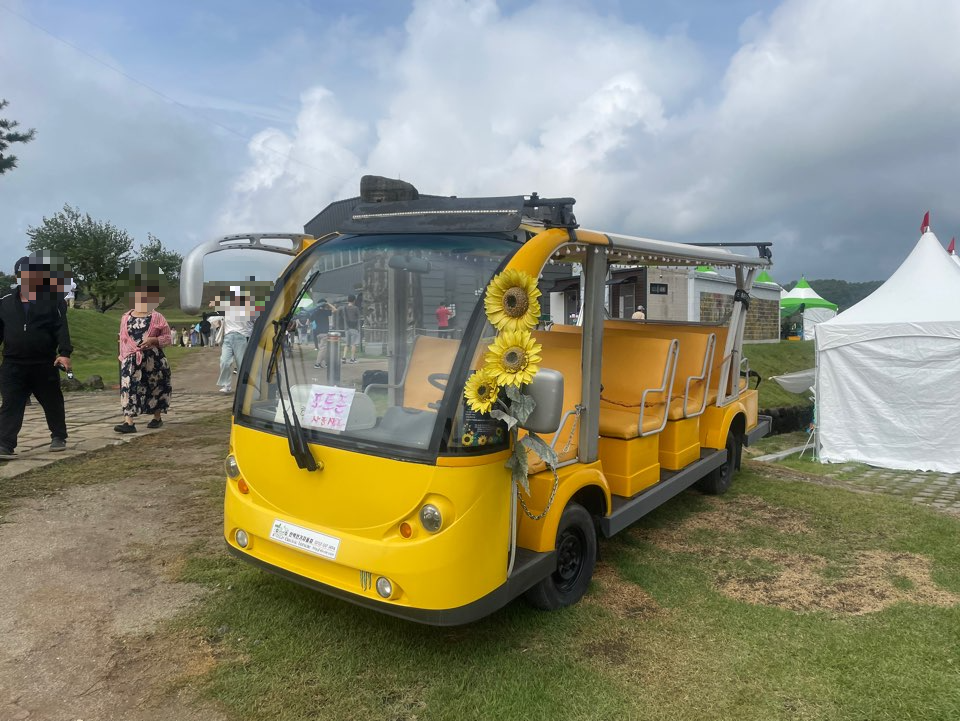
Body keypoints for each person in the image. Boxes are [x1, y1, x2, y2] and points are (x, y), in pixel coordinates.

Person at [0, 252, 73, 457]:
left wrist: (65, 353)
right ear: (17, 277)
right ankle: (5, 444)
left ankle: (58, 436)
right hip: (13, 363)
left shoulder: (53, 301)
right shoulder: (4, 302)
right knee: (10, 404)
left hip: (43, 362)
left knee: (52, 402)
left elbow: (61, 329)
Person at [115, 275, 172, 433]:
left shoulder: (157, 317)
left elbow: (168, 338)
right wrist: (123, 357)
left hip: (153, 359)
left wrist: (154, 339)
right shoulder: (126, 318)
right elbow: (123, 338)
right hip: (131, 359)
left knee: (155, 386)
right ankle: (129, 422)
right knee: (128, 387)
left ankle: (157, 417)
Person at [216, 287, 255, 393]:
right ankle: (226, 385)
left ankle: (244, 386)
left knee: (241, 363)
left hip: (241, 337)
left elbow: (254, 322)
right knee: (224, 361)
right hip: (228, 337)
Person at [311, 298, 336, 368]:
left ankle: (325, 363)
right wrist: (328, 304)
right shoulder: (325, 312)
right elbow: (335, 310)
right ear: (324, 305)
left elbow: (310, 319)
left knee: (324, 348)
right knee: (322, 349)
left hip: (317, 333)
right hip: (324, 332)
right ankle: (317, 364)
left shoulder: (315, 312)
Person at [342, 294, 361, 363]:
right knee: (353, 344)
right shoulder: (355, 308)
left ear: (348, 300)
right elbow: (359, 318)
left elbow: (344, 317)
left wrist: (346, 326)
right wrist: (358, 327)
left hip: (347, 328)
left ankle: (344, 357)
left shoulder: (344, 308)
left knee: (347, 344)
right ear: (354, 300)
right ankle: (352, 359)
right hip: (354, 327)